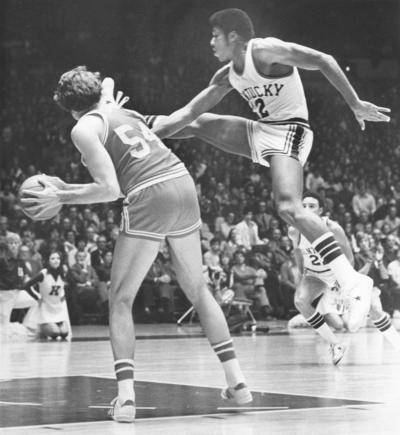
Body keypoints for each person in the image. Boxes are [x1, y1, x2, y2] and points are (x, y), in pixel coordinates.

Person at [21, 67, 251, 423]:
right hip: (182, 182)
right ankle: (238, 383)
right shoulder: (124, 111)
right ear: (98, 94)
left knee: (121, 299)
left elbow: (110, 189)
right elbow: (108, 86)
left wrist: (63, 193)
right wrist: (105, 91)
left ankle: (126, 399)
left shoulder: (83, 128)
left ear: (69, 109)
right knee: (199, 289)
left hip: (149, 194)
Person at [149, 8, 391, 330]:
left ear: (233, 35)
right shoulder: (226, 76)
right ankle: (140, 125)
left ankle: (352, 282)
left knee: (288, 206)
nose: (210, 42)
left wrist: (355, 103)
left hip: (291, 131)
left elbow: (323, 59)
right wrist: (142, 134)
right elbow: (185, 114)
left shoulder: (264, 51)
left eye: (215, 36)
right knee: (196, 122)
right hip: (264, 132)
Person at [288, 192, 400, 363]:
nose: (307, 209)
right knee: (300, 301)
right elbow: (297, 252)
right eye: (304, 206)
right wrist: (302, 276)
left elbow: (349, 258)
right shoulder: (294, 229)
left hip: (338, 272)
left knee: (370, 309)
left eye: (312, 206)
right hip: (314, 274)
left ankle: (396, 342)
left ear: (321, 211)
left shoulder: (333, 228)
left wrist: (342, 285)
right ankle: (335, 344)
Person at [23, 252, 71, 340]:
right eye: (52, 258)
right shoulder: (43, 274)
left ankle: (51, 326)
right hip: (46, 309)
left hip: (57, 309)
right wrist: (37, 297)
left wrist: (64, 295)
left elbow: (68, 286)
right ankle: (40, 328)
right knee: (55, 333)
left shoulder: (62, 273)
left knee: (64, 333)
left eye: (58, 258)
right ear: (48, 261)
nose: (56, 261)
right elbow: (26, 285)